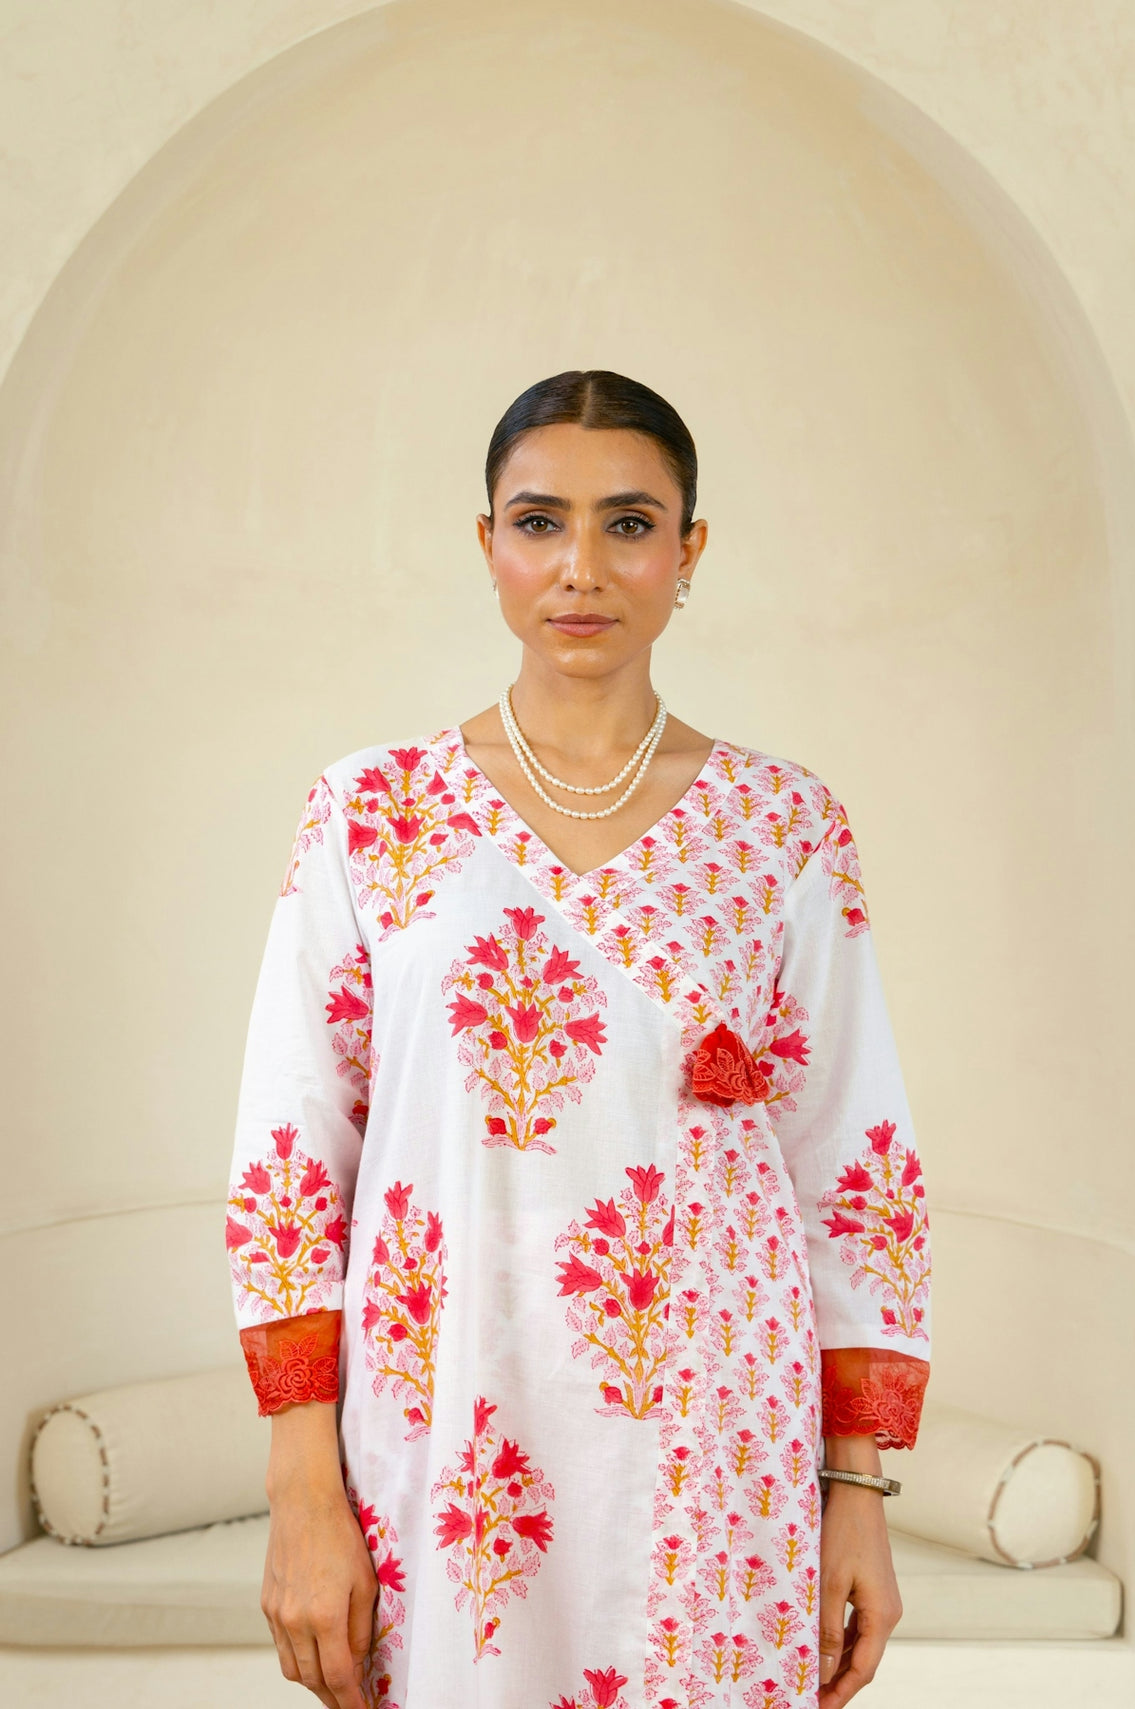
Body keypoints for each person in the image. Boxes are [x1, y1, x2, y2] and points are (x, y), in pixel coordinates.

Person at [225, 370, 932, 1709]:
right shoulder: (371, 814)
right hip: (446, 1442)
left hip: (713, 1446)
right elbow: (289, 1157)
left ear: (688, 551)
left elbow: (856, 1172)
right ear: (485, 542)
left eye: (628, 522)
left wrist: (858, 1496)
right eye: (539, 521)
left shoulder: (783, 827)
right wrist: (300, 1486)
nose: (581, 567)